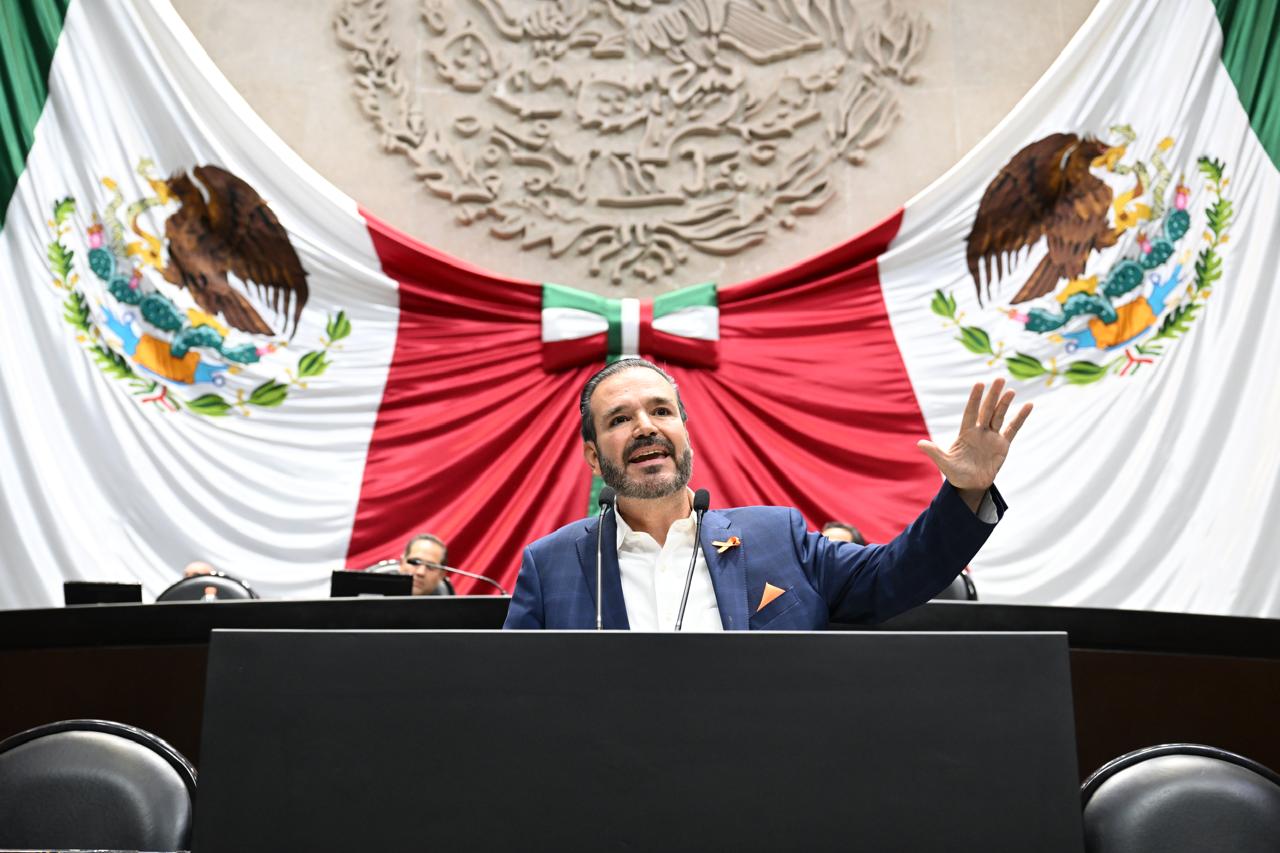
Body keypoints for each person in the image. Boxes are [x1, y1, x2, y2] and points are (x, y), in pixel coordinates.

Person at [504, 358, 1031, 630]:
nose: (646, 427)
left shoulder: (777, 538)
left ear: (685, 434)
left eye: (661, 411)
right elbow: (512, 700)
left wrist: (966, 489)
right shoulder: (551, 567)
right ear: (594, 457)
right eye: (620, 419)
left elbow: (898, 574)